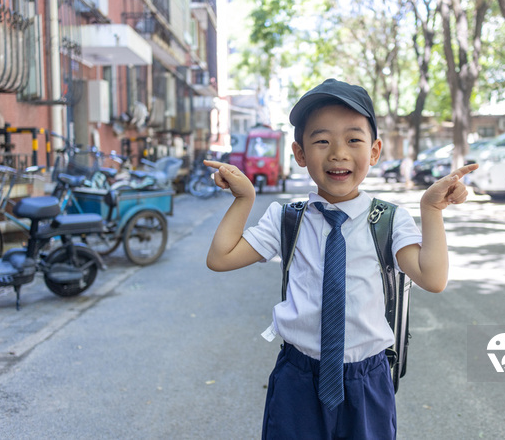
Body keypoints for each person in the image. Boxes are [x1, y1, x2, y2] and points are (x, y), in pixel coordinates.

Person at [204, 78, 477, 439]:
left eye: (353, 139)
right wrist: (244, 200)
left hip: (367, 379)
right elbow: (220, 257)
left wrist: (431, 210)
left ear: (375, 151)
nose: (338, 152)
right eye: (321, 140)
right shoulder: (287, 218)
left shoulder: (390, 220)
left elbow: (433, 278)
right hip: (297, 378)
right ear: (300, 154)